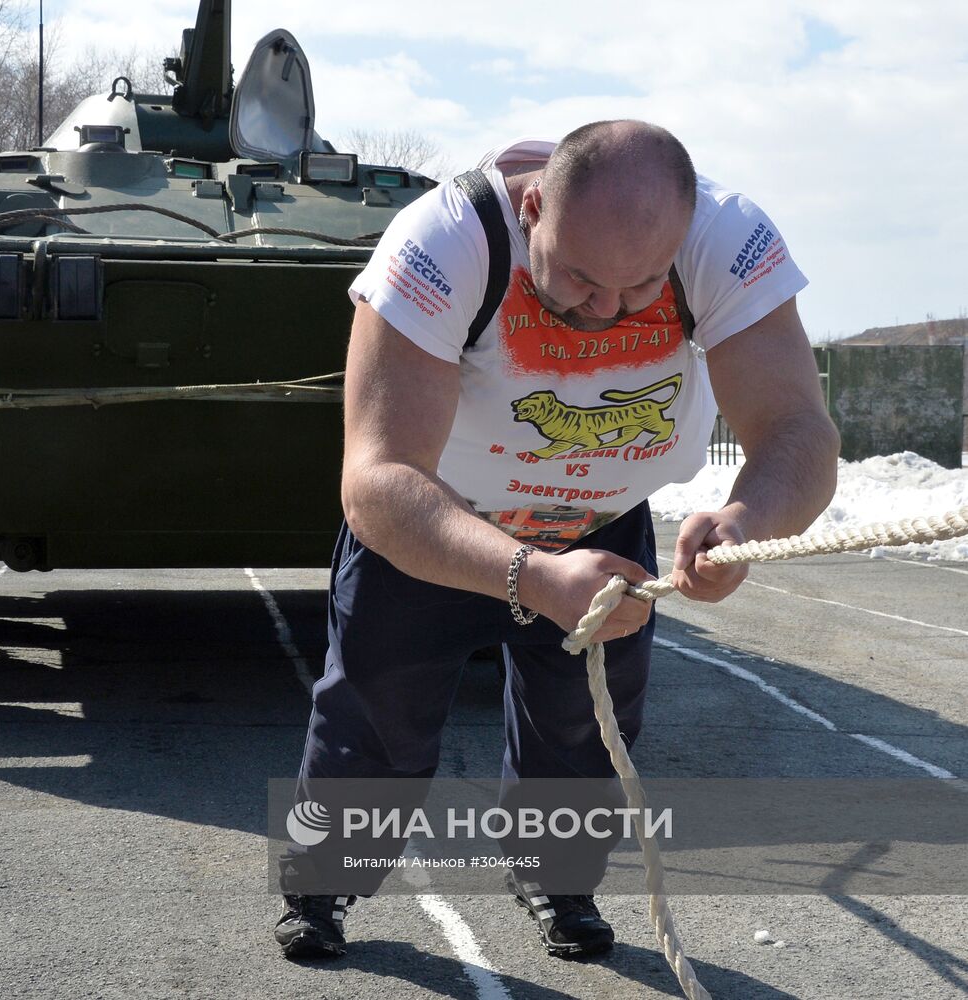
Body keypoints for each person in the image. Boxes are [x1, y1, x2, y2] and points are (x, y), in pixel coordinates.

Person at [274, 120, 839, 961]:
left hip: (601, 521)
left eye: (642, 284)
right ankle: (320, 886)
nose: (605, 310)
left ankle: (557, 879)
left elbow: (800, 432)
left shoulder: (727, 241)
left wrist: (745, 523)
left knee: (580, 732)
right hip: (437, 523)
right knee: (373, 719)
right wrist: (533, 576)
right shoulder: (441, 242)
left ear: (682, 235)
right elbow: (377, 479)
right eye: (577, 276)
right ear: (533, 207)